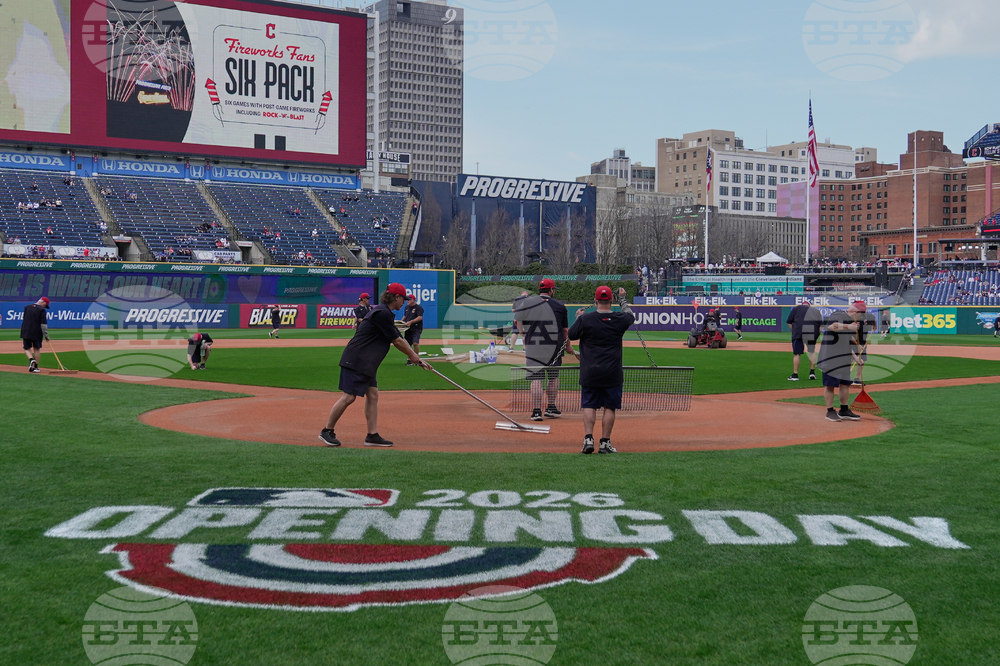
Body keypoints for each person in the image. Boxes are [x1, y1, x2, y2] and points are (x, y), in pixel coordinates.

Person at [319, 283, 428, 448]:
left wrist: (417, 358)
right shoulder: (382, 313)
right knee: (349, 396)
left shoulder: (384, 313)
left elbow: (400, 338)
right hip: (357, 359)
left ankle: (372, 435)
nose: (404, 303)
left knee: (373, 394)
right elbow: (397, 341)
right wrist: (413, 356)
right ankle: (327, 431)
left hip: (366, 361)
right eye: (403, 299)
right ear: (396, 297)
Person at [569, 286, 634, 454]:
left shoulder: (586, 320)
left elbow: (572, 334)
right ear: (611, 301)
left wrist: (578, 317)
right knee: (609, 407)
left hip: (590, 370)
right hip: (612, 371)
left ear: (595, 301)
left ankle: (588, 439)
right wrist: (623, 299)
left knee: (589, 405)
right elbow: (630, 316)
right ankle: (605, 442)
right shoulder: (619, 319)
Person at [514, 278, 575, 422]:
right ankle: (551, 407)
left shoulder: (527, 302)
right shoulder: (560, 305)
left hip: (534, 346)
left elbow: (517, 321)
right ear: (551, 290)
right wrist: (568, 346)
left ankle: (536, 411)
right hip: (554, 346)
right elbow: (565, 330)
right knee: (553, 377)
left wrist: (523, 335)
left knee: (536, 378)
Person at [817, 302, 866, 422]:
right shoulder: (838, 315)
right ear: (856, 312)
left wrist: (855, 358)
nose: (861, 318)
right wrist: (849, 327)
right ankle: (829, 411)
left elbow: (846, 342)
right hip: (831, 358)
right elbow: (831, 326)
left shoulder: (850, 322)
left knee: (845, 384)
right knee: (830, 385)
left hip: (844, 359)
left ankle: (844, 410)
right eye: (861, 315)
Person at [786, 300, 821, 381]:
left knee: (797, 354)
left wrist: (794, 331)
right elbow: (820, 328)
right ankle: (812, 373)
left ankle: (795, 375)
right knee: (812, 352)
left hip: (799, 332)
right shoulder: (816, 311)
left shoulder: (796, 308)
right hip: (812, 332)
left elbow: (789, 322)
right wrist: (816, 336)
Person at [20, 297, 50, 373]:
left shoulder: (27, 307)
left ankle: (31, 359)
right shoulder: (41, 310)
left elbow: (24, 319)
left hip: (26, 330)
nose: (44, 307)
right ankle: (35, 366)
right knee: (36, 348)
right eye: (45, 305)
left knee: (27, 348)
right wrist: (46, 335)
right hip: (37, 331)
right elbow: (43, 324)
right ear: (43, 302)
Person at [852, 304, 878, 385]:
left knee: (862, 360)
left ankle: (856, 379)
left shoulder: (869, 316)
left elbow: (873, 321)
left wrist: (874, 326)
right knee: (850, 359)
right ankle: (844, 378)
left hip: (863, 342)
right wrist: (857, 345)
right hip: (852, 341)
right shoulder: (853, 318)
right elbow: (849, 335)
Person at [401, 293, 424, 364]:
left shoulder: (418, 308)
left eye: (409, 299)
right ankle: (409, 360)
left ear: (413, 300)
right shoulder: (407, 308)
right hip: (408, 328)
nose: (407, 301)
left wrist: (411, 321)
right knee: (407, 344)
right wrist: (401, 322)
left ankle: (416, 359)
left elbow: (420, 317)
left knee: (415, 343)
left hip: (416, 328)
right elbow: (405, 317)